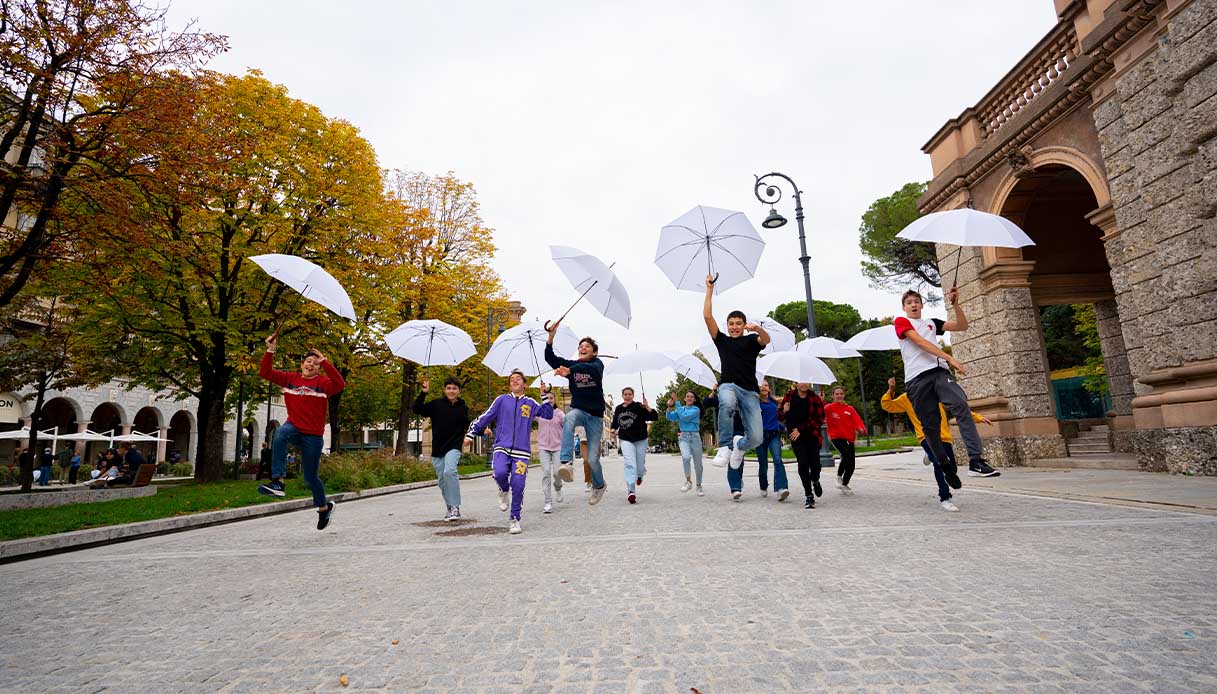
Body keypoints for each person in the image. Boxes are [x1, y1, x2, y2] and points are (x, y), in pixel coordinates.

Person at [894, 288, 1000, 490]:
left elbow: (962, 325)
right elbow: (919, 342)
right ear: (904, 307)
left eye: (917, 301)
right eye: (909, 302)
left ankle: (975, 461)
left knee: (960, 404)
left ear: (922, 305)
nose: (914, 304)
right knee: (931, 428)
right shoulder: (901, 322)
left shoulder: (932, 323)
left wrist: (956, 305)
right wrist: (950, 357)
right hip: (917, 379)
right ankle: (944, 465)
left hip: (939, 373)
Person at [257, 334, 345, 531]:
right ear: (302, 364)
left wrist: (326, 362)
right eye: (308, 361)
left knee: (310, 477)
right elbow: (265, 372)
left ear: (318, 367)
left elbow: (340, 384)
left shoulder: (324, 383)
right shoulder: (290, 379)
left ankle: (324, 508)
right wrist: (270, 350)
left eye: (315, 363)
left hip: (313, 436)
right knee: (280, 433)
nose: (311, 364)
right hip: (294, 427)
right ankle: (278, 481)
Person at [882, 376, 993, 512]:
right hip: (926, 437)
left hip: (944, 437)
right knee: (940, 465)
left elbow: (956, 406)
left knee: (952, 470)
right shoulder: (907, 398)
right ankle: (945, 498)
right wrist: (891, 389)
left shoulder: (935, 393)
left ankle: (930, 456)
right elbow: (887, 405)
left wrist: (978, 417)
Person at [464, 370, 554, 534]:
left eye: (518, 379)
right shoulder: (501, 400)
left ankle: (514, 519)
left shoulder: (531, 403)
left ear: (525, 384)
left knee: (518, 484)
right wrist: (471, 434)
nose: (514, 381)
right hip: (502, 448)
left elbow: (548, 414)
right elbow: (486, 417)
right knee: (499, 473)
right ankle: (503, 490)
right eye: (511, 379)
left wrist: (544, 395)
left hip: (522, 452)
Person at [702, 274, 769, 470]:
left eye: (738, 324)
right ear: (727, 325)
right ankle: (724, 446)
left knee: (756, 438)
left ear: (744, 325)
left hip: (749, 391)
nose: (734, 327)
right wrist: (709, 290)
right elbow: (707, 317)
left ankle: (739, 446)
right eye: (731, 324)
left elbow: (766, 340)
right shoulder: (722, 340)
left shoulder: (751, 340)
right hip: (728, 385)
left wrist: (756, 328)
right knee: (727, 402)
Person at [544, 320, 609, 505]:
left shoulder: (597, 364)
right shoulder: (573, 364)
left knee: (592, 459)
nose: (582, 348)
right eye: (580, 346)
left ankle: (599, 485)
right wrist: (551, 336)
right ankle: (566, 463)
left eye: (587, 346)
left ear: (594, 352)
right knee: (570, 417)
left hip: (595, 417)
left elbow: (591, 370)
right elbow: (551, 359)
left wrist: (570, 371)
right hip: (579, 410)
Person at [415, 376, 471, 521]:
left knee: (449, 471)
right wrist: (423, 393)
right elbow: (417, 409)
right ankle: (450, 507)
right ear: (444, 390)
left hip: (454, 446)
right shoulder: (436, 405)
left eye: (454, 388)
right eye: (448, 388)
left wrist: (483, 431)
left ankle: (455, 507)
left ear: (459, 391)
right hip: (438, 448)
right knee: (442, 480)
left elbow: (468, 424)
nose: (451, 391)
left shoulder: (463, 408)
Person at [779, 382, 827, 509]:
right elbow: (779, 416)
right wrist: (784, 411)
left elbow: (820, 419)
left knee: (816, 465)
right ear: (796, 383)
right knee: (803, 463)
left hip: (812, 434)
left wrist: (801, 428)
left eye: (806, 381)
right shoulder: (789, 396)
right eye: (801, 381)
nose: (804, 384)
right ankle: (809, 495)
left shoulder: (814, 398)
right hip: (796, 436)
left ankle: (815, 480)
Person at [611, 387, 658, 504]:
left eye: (629, 394)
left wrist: (647, 406)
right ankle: (631, 491)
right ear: (622, 396)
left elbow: (654, 417)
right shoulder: (618, 408)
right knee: (629, 463)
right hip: (625, 439)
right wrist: (612, 429)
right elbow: (615, 422)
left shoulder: (638, 407)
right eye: (625, 394)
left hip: (640, 439)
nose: (627, 396)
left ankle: (640, 475)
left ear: (633, 395)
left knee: (640, 465)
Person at [702, 385, 749, 499]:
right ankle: (735, 488)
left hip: (740, 431)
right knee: (732, 458)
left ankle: (738, 479)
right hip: (727, 433)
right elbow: (706, 402)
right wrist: (713, 391)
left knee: (739, 459)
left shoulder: (740, 399)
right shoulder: (721, 399)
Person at [825, 386, 868, 495]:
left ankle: (845, 484)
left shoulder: (850, 409)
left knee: (851, 464)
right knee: (845, 455)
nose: (839, 396)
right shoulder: (829, 408)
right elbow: (819, 412)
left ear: (844, 395)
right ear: (833, 396)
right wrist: (821, 401)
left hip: (849, 438)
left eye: (841, 394)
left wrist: (861, 428)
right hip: (836, 437)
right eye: (837, 394)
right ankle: (839, 476)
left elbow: (857, 421)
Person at [665, 390, 705, 496]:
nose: (689, 398)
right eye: (687, 396)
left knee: (698, 464)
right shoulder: (680, 409)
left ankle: (699, 485)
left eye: (692, 397)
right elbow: (670, 417)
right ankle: (688, 481)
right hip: (684, 437)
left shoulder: (696, 409)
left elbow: (684, 417)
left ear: (694, 399)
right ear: (685, 399)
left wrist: (676, 401)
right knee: (686, 457)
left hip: (695, 437)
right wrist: (669, 407)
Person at [756, 379, 790, 501]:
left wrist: (782, 426)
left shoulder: (774, 402)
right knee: (763, 464)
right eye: (761, 385)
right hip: (759, 436)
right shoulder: (754, 402)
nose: (764, 387)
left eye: (766, 385)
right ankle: (763, 485)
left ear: (769, 389)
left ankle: (781, 488)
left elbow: (776, 418)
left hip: (774, 434)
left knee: (777, 459)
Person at [536, 392, 566, 514]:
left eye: (551, 398)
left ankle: (558, 488)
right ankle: (548, 502)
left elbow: (568, 428)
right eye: (547, 398)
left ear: (555, 400)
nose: (549, 400)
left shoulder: (560, 414)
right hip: (543, 447)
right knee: (546, 472)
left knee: (557, 472)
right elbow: (526, 416)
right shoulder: (539, 413)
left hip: (558, 447)